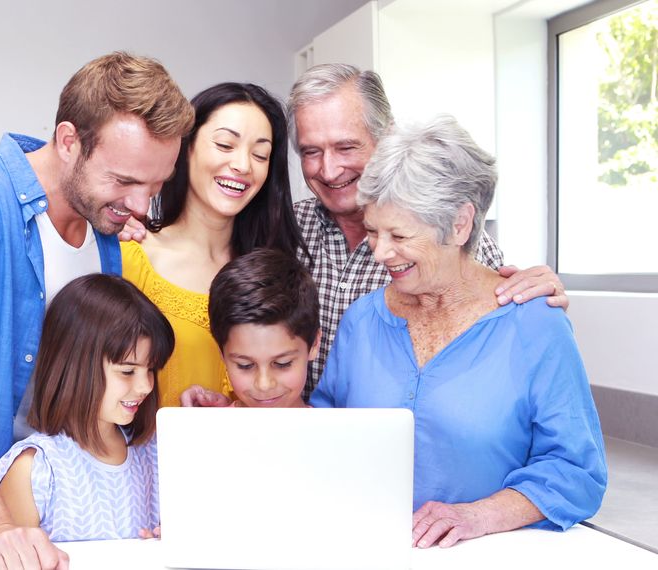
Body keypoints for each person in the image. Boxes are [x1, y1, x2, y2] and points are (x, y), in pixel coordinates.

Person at [0, 51, 192, 567]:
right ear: (69, 141)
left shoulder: (107, 236)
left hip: (72, 518)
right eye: (124, 180)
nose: (142, 206)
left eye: (156, 184)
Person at [310, 115, 607, 549]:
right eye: (373, 231)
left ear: (460, 224)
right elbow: (321, 434)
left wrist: (478, 516)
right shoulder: (360, 321)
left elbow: (576, 470)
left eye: (399, 234)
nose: (380, 252)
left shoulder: (535, 323)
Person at [287, 63, 569, 397]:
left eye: (346, 147)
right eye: (311, 152)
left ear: (387, 137)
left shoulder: (452, 243)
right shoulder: (284, 231)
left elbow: (501, 344)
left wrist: (538, 301)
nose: (330, 170)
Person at [122, 82, 304, 406]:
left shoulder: (276, 277)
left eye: (259, 154)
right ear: (186, 147)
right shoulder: (131, 257)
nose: (243, 165)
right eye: (225, 144)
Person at [0, 273, 173, 541]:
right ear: (76, 366)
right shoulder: (36, 470)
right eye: (127, 371)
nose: (146, 386)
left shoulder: (153, 452)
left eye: (151, 370)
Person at [178, 248, 320, 409]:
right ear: (221, 353)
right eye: (245, 365)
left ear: (314, 343)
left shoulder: (334, 433)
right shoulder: (208, 428)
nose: (264, 384)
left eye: (282, 363)